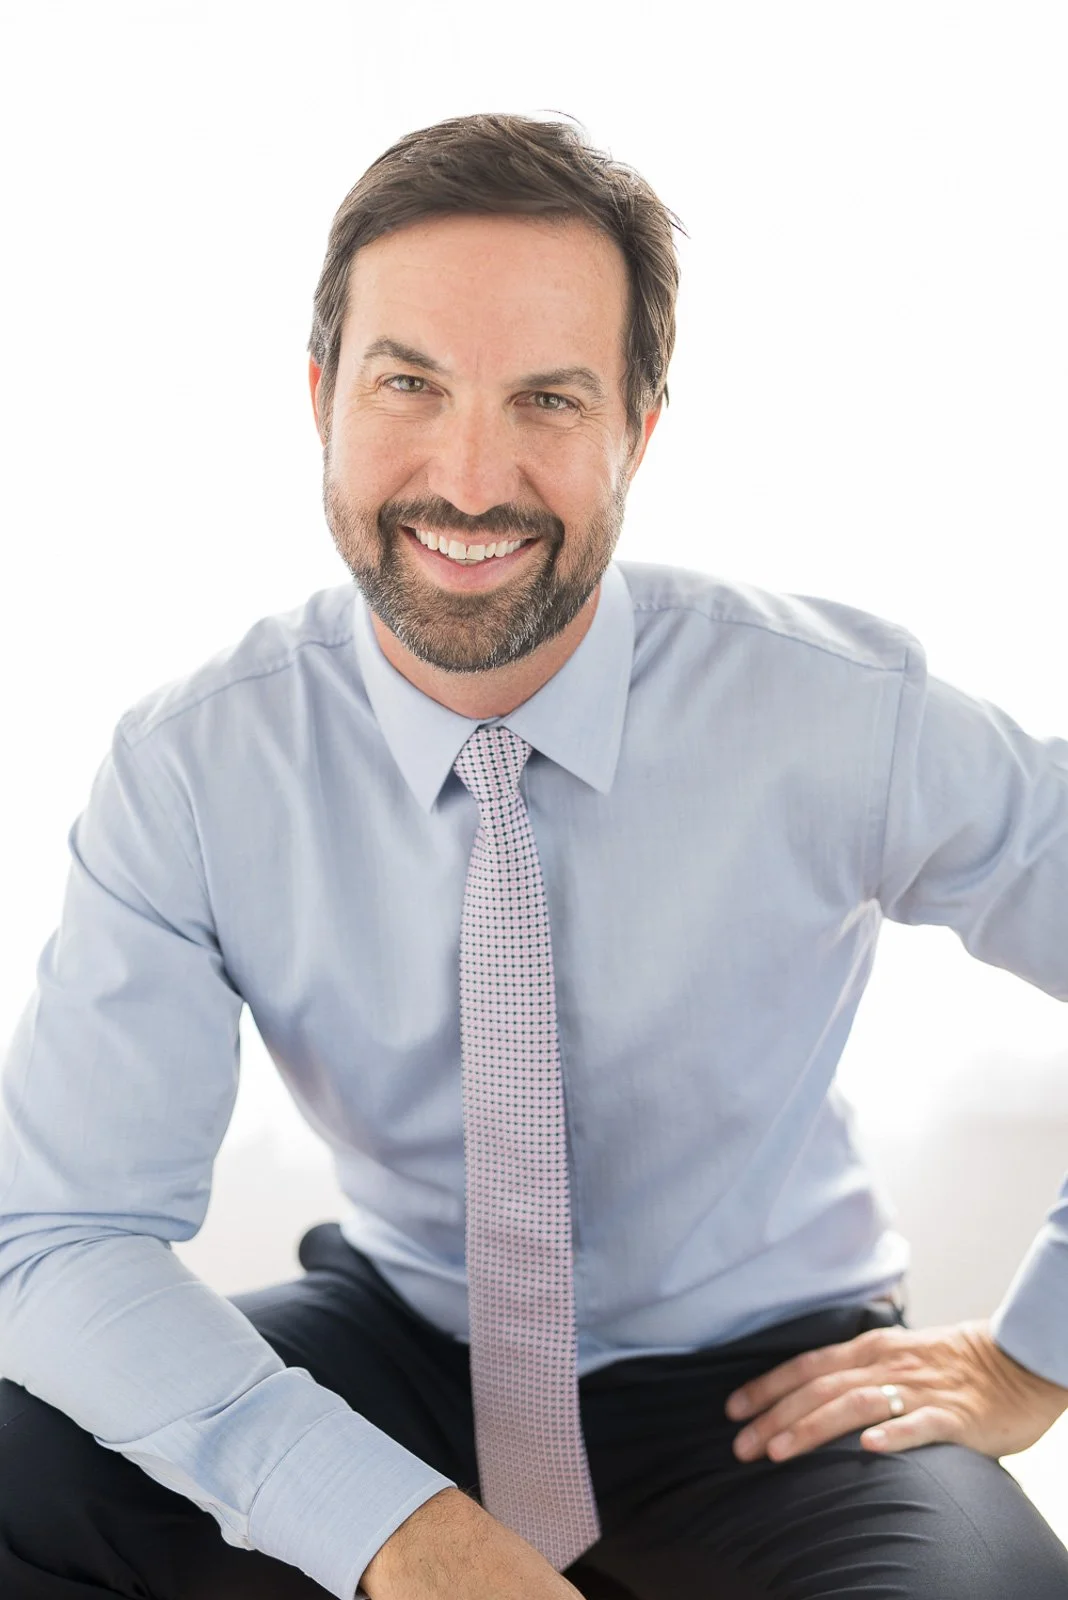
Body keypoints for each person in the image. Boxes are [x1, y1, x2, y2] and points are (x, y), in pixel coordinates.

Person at [1, 109, 1067, 1600]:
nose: (472, 475)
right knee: (19, 1456)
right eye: (409, 385)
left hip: (767, 1394)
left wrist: (1038, 1351)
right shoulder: (194, 767)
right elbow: (64, 1234)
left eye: (550, 401)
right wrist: (397, 1535)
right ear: (321, 398)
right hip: (404, 1350)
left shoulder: (838, 715)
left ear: (640, 428)